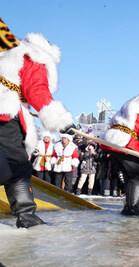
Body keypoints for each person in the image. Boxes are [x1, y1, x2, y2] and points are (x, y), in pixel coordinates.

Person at [0, 18, 74, 228]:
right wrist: (61, 121)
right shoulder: (35, 58)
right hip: (5, 114)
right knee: (17, 166)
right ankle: (26, 215)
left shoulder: (9, 51)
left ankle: (26, 214)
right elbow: (36, 90)